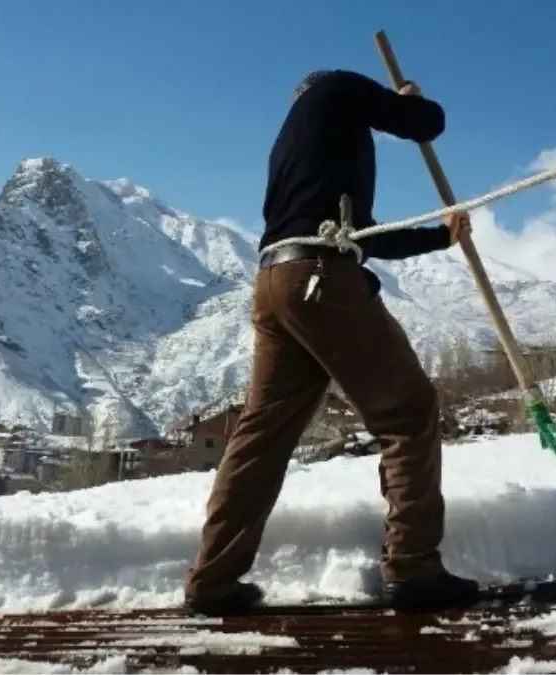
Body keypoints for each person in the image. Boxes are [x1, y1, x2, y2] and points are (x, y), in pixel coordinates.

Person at [182, 69, 480, 617]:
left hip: (277, 282)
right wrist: (404, 102)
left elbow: (363, 233)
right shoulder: (338, 88)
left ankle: (212, 579)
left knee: (262, 434)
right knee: (408, 411)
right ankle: (413, 566)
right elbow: (426, 124)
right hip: (321, 277)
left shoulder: (294, 145)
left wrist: (440, 236)